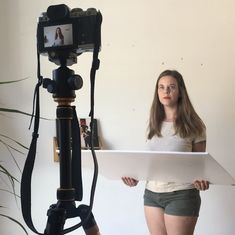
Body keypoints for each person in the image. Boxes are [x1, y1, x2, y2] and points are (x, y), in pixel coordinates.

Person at [122, 70, 209, 235]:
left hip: (182, 194)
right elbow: (150, 161)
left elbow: (200, 167)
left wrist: (201, 180)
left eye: (171, 87)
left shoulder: (194, 125)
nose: (166, 91)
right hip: (151, 194)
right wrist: (134, 176)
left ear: (180, 91)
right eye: (161, 87)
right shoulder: (153, 124)